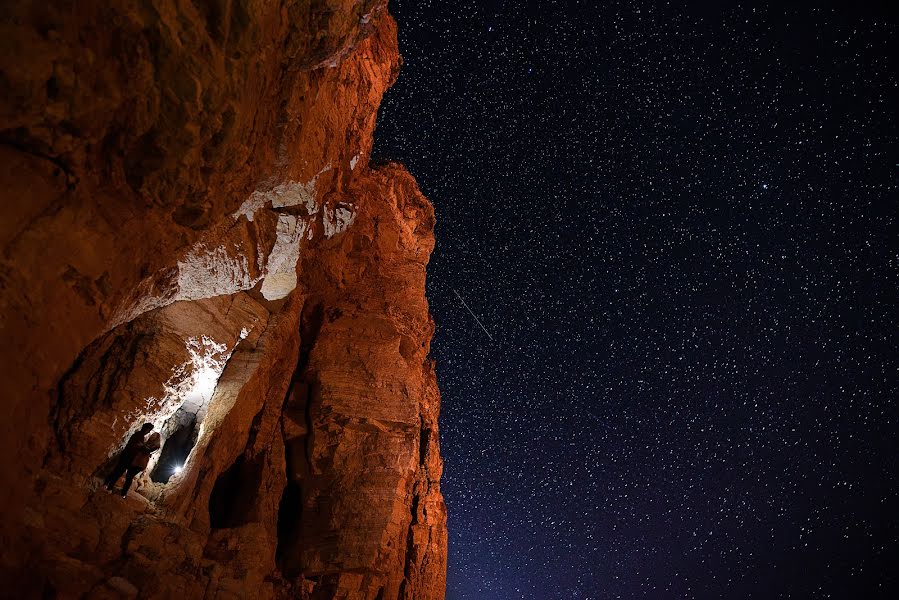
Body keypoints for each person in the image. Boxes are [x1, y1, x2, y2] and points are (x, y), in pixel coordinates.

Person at [104, 423, 153, 496]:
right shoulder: (139, 436)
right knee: (118, 472)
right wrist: (146, 450)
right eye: (149, 430)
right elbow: (138, 446)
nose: (148, 432)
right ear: (146, 429)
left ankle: (107, 484)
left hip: (127, 456)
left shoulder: (139, 435)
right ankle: (108, 487)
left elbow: (139, 446)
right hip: (127, 456)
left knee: (117, 471)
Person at [120, 431, 162, 496]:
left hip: (141, 463)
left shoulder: (156, 446)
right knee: (129, 475)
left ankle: (124, 493)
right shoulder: (147, 443)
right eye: (152, 434)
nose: (152, 436)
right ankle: (124, 491)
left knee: (130, 476)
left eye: (154, 435)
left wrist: (141, 446)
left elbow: (148, 451)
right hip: (136, 460)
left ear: (157, 438)